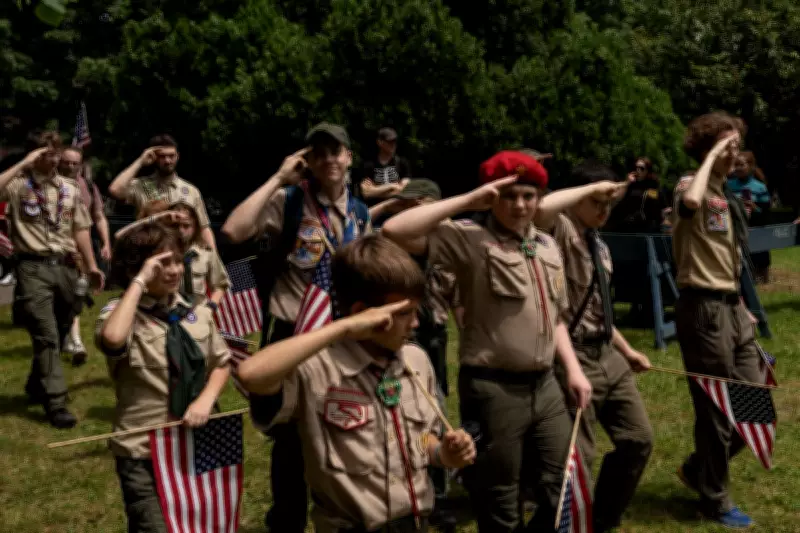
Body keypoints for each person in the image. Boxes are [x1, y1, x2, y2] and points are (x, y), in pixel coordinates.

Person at [382, 151, 592, 533]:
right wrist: (467, 200)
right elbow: (395, 230)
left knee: (565, 484)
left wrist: (574, 371)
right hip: (494, 387)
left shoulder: (546, 245)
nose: (519, 205)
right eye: (508, 196)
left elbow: (556, 318)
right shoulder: (469, 240)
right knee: (499, 494)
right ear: (493, 197)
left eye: (528, 196)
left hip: (545, 385)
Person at [238, 234, 476, 533]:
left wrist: (443, 453)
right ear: (363, 313)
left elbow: (421, 439)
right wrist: (344, 328)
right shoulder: (317, 370)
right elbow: (250, 374)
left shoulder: (415, 359)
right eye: (403, 314)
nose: (415, 323)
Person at [222, 122, 371, 533]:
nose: (328, 160)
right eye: (318, 153)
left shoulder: (360, 212)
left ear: (349, 157)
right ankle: (286, 522)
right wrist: (278, 177)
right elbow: (234, 231)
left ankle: (337, 515)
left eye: (335, 151)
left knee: (341, 425)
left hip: (342, 335)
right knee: (290, 439)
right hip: (294, 331)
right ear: (307, 160)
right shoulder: (288, 200)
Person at [535, 161, 654, 533]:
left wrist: (627, 350)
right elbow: (542, 208)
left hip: (607, 354)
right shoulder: (559, 232)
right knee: (578, 458)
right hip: (572, 356)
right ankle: (565, 522)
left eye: (608, 204)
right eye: (596, 202)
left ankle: (601, 518)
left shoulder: (599, 243)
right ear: (577, 199)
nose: (604, 211)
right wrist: (590, 189)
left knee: (638, 439)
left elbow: (598, 308)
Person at [95, 221, 231, 533]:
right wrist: (141, 281)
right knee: (152, 526)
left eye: (176, 261)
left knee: (200, 524)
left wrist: (206, 400)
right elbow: (114, 339)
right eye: (161, 263)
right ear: (136, 269)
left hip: (196, 441)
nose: (172, 271)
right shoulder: (120, 313)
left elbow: (221, 362)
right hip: (142, 448)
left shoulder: (194, 313)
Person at [671, 112, 761, 529]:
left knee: (754, 403)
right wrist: (710, 157)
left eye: (738, 145)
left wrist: (742, 306)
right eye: (728, 145)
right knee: (716, 408)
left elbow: (731, 257)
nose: (735, 152)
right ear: (709, 148)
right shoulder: (692, 185)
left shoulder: (725, 194)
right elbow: (690, 204)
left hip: (730, 305)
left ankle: (697, 469)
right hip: (703, 309)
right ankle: (715, 499)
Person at [0, 132, 105, 428]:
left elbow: (81, 229)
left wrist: (92, 266)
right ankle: (56, 401)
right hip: (32, 268)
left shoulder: (70, 188)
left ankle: (36, 384)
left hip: (66, 267)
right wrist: (24, 162)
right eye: (44, 153)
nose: (52, 158)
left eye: (54, 153)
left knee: (58, 332)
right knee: (45, 333)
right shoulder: (18, 185)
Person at [108, 134, 216, 250]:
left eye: (171, 156)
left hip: (183, 255)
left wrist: (213, 258)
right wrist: (140, 162)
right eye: (162, 156)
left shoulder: (190, 190)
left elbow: (204, 227)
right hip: (149, 251)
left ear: (178, 156)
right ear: (154, 157)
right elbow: (115, 190)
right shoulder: (141, 185)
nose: (167, 160)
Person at [58, 146, 112, 365]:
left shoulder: (88, 186)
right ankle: (69, 338)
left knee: (77, 294)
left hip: (83, 249)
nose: (71, 166)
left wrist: (107, 243)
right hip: (58, 249)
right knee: (64, 296)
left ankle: (74, 339)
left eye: (75, 163)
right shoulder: (49, 185)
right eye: (66, 162)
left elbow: (98, 216)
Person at [730, 151, 771, 283]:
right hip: (734, 227)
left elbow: (766, 213)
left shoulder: (760, 187)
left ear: (751, 166)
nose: (738, 168)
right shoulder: (728, 185)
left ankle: (762, 277)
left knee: (759, 254)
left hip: (755, 227)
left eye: (741, 165)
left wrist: (755, 208)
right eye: (736, 165)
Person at [606, 156, 668, 233]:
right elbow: (617, 198)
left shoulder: (653, 186)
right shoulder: (630, 184)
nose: (638, 170)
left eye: (642, 168)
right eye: (636, 167)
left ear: (647, 171)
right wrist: (627, 183)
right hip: (628, 226)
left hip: (648, 227)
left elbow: (661, 206)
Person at [358, 127, 412, 206]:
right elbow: (366, 193)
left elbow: (404, 191)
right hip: (375, 211)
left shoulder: (402, 163)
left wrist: (375, 191)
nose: (393, 145)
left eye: (395, 142)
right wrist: (392, 186)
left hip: (397, 211)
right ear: (379, 142)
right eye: (390, 142)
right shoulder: (368, 165)